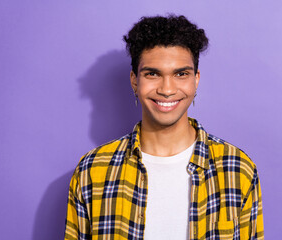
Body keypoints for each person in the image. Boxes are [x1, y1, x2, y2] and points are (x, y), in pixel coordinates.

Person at [64, 15, 264, 240]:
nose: (167, 89)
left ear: (195, 80)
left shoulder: (237, 169)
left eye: (181, 74)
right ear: (134, 81)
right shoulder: (92, 171)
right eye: (153, 74)